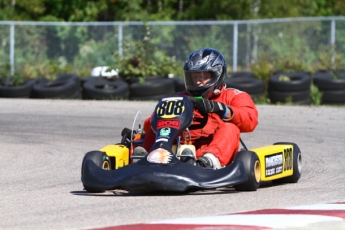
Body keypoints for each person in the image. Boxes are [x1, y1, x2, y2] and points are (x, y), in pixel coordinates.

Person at [134, 48, 258, 169]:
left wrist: (221, 109)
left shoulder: (233, 96)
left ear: (217, 74)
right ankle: (147, 161)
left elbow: (250, 120)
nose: (198, 82)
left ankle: (208, 164)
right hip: (178, 152)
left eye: (203, 77)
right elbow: (150, 124)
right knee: (156, 127)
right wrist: (161, 119)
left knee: (231, 128)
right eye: (194, 77)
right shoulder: (179, 98)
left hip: (215, 152)